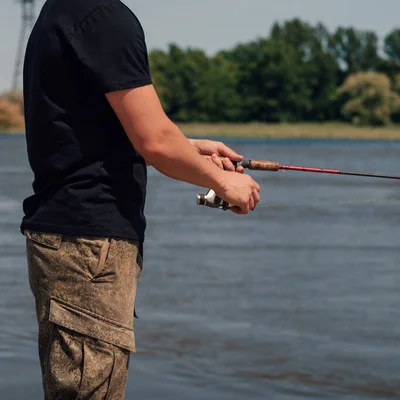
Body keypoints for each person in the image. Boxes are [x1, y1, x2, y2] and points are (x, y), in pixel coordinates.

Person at [20, 0, 260, 398]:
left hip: (70, 240)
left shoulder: (61, 11)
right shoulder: (104, 16)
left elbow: (92, 132)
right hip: (89, 247)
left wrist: (190, 150)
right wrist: (224, 182)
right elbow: (155, 142)